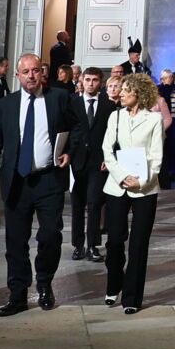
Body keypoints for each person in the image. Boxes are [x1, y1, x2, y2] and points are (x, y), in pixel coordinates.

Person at [0, 53, 80, 316]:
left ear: (42, 73)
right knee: (15, 242)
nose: (31, 76)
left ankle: (45, 284)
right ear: (17, 75)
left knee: (50, 235)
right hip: (17, 181)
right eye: (25, 71)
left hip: (49, 179)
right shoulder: (6, 105)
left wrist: (69, 151)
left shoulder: (59, 98)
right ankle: (17, 295)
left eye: (35, 70)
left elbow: (79, 127)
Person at [99, 72, 162, 314]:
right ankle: (114, 284)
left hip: (145, 188)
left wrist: (142, 180)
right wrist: (121, 176)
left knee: (138, 244)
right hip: (117, 185)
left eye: (126, 90)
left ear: (139, 93)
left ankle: (132, 297)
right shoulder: (115, 117)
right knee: (115, 240)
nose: (121, 93)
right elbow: (107, 150)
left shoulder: (154, 120)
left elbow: (157, 156)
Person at [68, 67, 114, 262]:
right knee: (77, 204)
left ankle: (93, 245)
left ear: (100, 82)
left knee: (95, 203)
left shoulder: (108, 106)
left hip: (98, 161)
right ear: (81, 81)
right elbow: (66, 130)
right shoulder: (72, 103)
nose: (91, 83)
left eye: (95, 80)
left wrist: (109, 157)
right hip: (77, 160)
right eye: (87, 80)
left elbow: (113, 134)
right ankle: (78, 245)